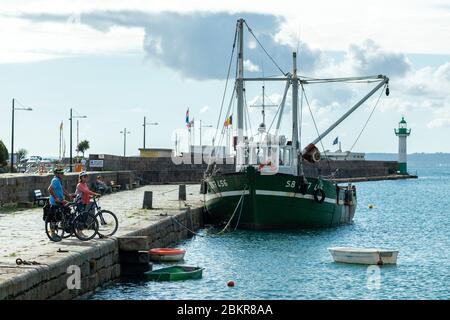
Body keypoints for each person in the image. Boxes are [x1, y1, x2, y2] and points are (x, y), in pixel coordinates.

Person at [47, 168, 72, 241]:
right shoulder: (55, 180)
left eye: (62, 173)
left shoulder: (59, 181)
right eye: (61, 173)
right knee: (54, 218)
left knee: (67, 209)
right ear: (57, 174)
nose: (62, 175)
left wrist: (68, 195)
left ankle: (62, 223)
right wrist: (56, 198)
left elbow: (62, 189)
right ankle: (53, 233)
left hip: (60, 201)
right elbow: (49, 189)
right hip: (55, 202)